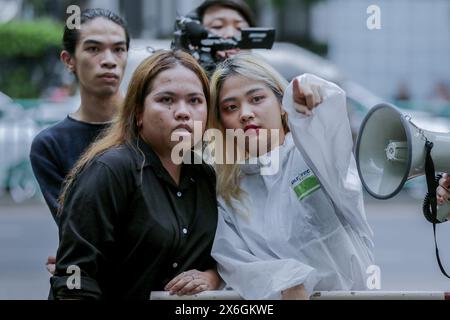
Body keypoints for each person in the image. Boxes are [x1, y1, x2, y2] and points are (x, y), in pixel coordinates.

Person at [50, 50, 220, 300]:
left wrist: (212, 276)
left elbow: (227, 255)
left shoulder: (205, 176)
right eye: (166, 100)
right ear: (138, 113)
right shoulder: (110, 170)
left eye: (195, 100)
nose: (183, 112)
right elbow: (75, 276)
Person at [208, 54, 374, 299]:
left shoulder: (311, 153)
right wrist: (290, 279)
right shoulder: (228, 190)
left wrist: (311, 94)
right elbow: (234, 261)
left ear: (281, 104)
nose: (245, 113)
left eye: (256, 99)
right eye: (230, 107)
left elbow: (329, 128)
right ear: (221, 123)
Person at [30, 8, 130, 222]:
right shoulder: (51, 145)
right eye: (94, 49)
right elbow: (76, 228)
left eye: (119, 49)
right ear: (69, 60)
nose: (109, 60)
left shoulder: (149, 125)